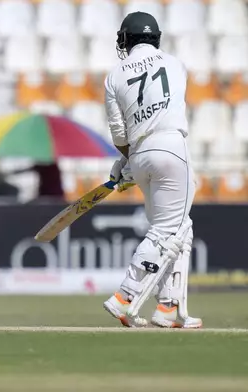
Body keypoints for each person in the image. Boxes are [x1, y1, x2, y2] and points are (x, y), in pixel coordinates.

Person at [101, 12, 202, 328]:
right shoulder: (176, 64)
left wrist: (128, 162)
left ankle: (169, 307)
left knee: (178, 228)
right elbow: (167, 105)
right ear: (156, 38)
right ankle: (125, 297)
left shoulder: (114, 76)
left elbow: (120, 133)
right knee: (165, 230)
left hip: (142, 155)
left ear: (125, 40)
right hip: (171, 148)